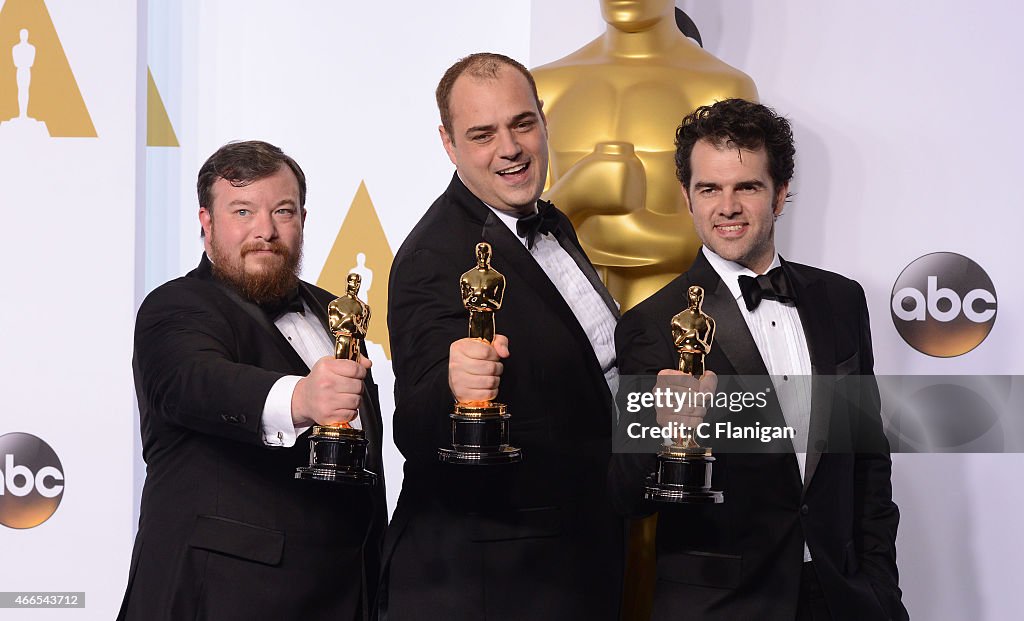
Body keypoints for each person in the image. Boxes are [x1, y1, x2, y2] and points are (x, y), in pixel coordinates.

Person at [611, 99, 908, 620]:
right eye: (709, 189)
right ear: (687, 197)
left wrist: (879, 591)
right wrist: (660, 431)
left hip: (841, 598)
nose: (727, 207)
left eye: (746, 186)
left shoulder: (840, 301)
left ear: (780, 195)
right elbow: (627, 496)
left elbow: (867, 460)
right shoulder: (651, 326)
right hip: (722, 605)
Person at [383, 53, 624, 620]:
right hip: (491, 585)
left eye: (521, 124)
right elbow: (415, 425)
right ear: (449, 144)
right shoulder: (432, 257)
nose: (510, 148)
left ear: (543, 121)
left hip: (575, 565)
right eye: (482, 134)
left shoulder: (553, 224)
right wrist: (455, 388)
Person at [119, 141, 387, 621]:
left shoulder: (336, 312)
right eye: (243, 211)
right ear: (207, 222)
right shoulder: (175, 306)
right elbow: (196, 382)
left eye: (282, 211)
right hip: (219, 600)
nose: (265, 230)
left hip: (348, 596)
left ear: (302, 217)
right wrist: (301, 397)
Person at [533, 0, 758, 310]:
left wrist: (634, 234)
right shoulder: (545, 84)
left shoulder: (721, 87)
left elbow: (737, 222)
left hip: (676, 319)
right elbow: (515, 221)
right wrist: (577, 191)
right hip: (563, 317)